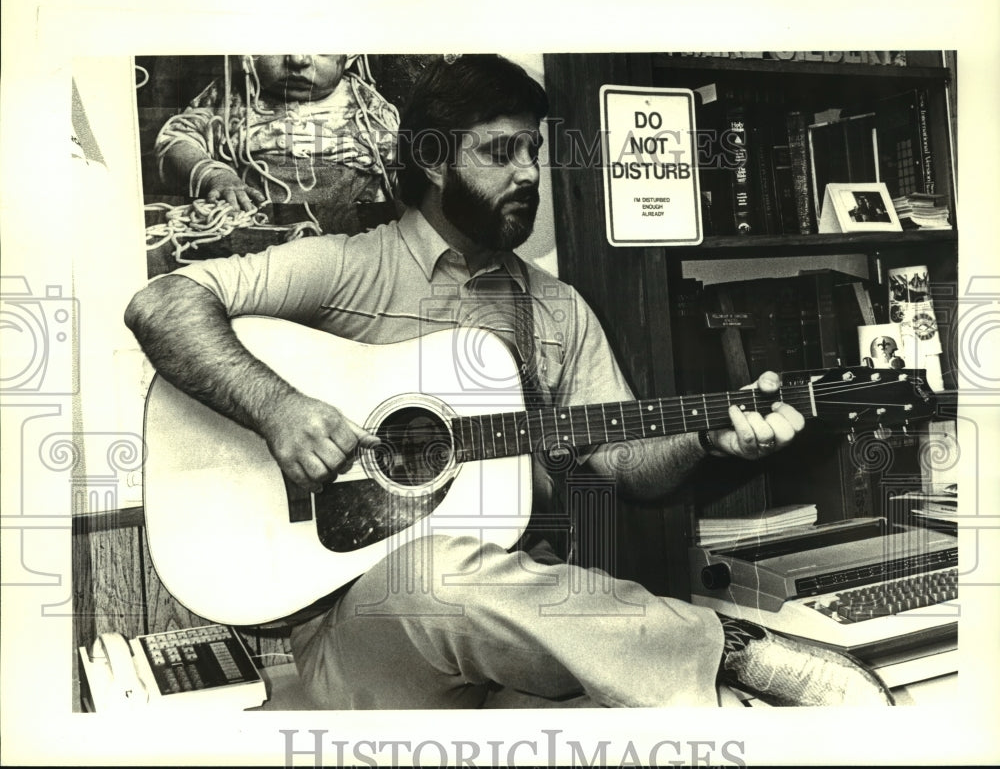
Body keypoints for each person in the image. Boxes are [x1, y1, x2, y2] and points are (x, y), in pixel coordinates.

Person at [125, 54, 894, 709]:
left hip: (541, 629)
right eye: (501, 152)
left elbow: (626, 466)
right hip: (362, 637)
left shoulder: (556, 308)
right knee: (428, 573)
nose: (529, 172)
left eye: (534, 150)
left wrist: (706, 437)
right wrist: (278, 408)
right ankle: (729, 648)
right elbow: (163, 304)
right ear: (432, 159)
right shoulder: (347, 268)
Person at [153, 54, 398, 236]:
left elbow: (400, 170)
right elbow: (176, 139)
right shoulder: (230, 96)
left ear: (350, 55)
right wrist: (214, 176)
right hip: (252, 224)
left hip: (350, 232)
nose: (298, 59)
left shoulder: (367, 106)